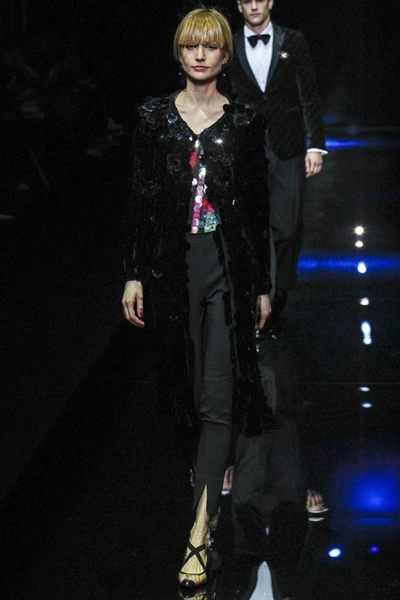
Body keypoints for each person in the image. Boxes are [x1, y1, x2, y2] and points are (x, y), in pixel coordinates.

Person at [121, 6, 274, 589]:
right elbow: (140, 198)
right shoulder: (153, 118)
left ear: (225, 54)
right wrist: (134, 273)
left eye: (211, 46)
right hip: (172, 270)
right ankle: (203, 486)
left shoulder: (245, 121)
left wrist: (262, 284)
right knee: (183, 397)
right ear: (180, 52)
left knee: (217, 402)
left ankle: (198, 535)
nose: (201, 55)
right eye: (192, 45)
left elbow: (256, 207)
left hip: (228, 269)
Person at [228, 0, 326, 316]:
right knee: (253, 223)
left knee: (287, 228)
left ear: (270, 1)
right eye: (247, 0)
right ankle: (263, 293)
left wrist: (316, 145)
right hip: (247, 147)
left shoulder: (293, 40)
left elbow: (308, 92)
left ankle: (281, 285)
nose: (254, 6)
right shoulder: (229, 44)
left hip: (288, 144)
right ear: (239, 5)